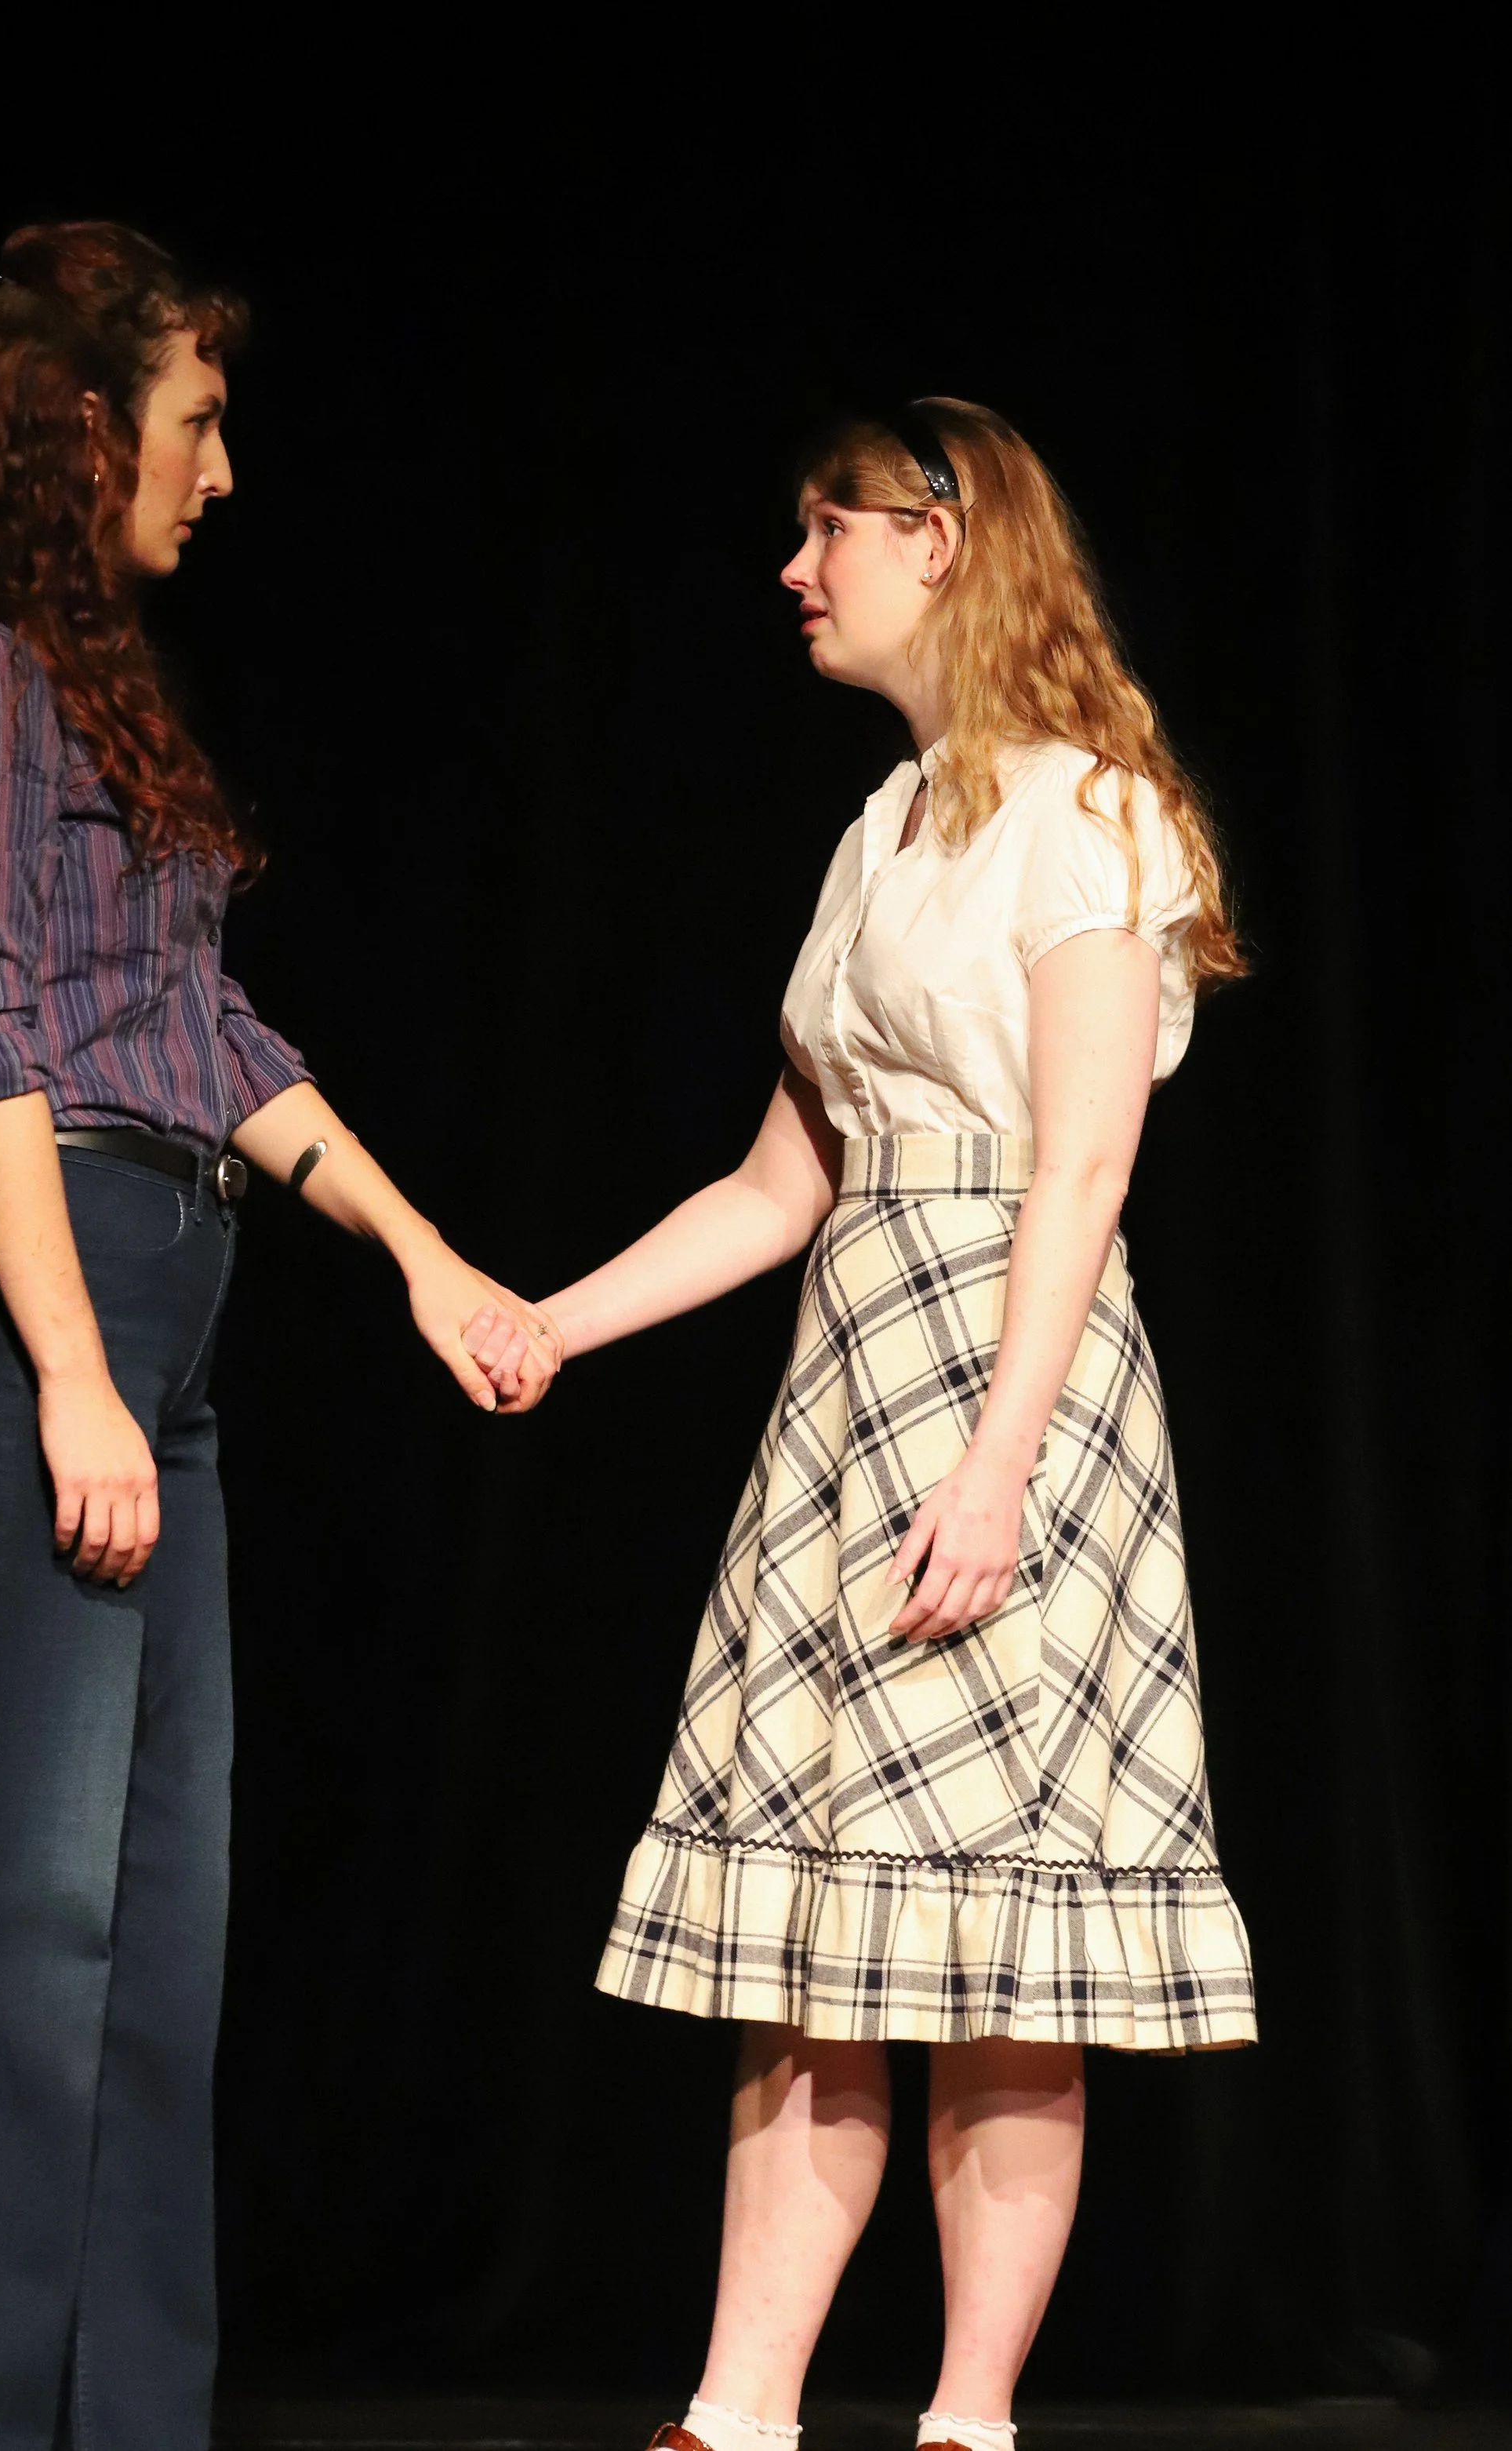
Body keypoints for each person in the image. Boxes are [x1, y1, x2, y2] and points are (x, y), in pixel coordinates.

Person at [0, 220, 558, 2451]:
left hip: (158, 1329)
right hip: (30, 1318)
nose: (226, 471)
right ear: (89, 424)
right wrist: (63, 1372)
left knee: (145, 1948)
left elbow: (199, 1029)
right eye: (200, 422)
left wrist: (418, 1251)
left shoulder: (86, 682)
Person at [465, 399, 1255, 2451]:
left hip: (1011, 1376)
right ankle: (736, 2411)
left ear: (941, 533)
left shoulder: (1088, 807)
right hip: (849, 1386)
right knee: (814, 1931)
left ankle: (964, 2418)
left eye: (825, 528)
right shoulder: (881, 830)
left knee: (996, 1946)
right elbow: (775, 1185)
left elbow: (1079, 1168)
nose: (795, 569)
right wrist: (556, 1317)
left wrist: (997, 1465)